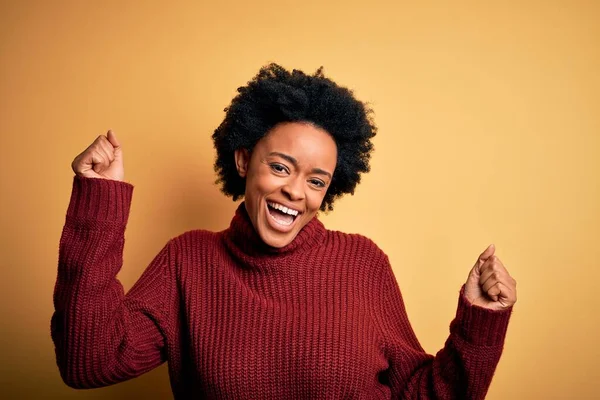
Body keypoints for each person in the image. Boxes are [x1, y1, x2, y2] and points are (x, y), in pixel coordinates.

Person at [52, 63, 517, 399]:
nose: (296, 191)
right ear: (243, 160)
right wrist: (98, 204)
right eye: (280, 166)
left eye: (316, 180)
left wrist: (479, 323)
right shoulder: (187, 261)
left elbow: (423, 395)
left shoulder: (361, 264)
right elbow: (88, 361)